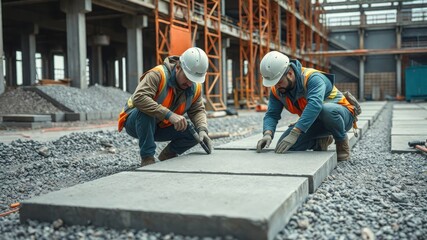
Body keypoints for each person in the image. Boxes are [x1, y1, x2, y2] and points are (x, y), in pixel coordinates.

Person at [118, 47, 213, 166]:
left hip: (160, 126)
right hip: (137, 123)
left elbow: (198, 110)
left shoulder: (194, 87)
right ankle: (147, 158)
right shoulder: (158, 74)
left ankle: (168, 155)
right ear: (178, 67)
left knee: (193, 132)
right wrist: (169, 115)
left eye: (193, 80)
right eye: (188, 78)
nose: (189, 83)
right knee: (145, 112)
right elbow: (139, 98)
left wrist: (202, 129)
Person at [256, 51, 357, 161]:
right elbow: (272, 114)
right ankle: (319, 141)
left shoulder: (312, 78)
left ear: (289, 74)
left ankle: (341, 142)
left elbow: (315, 105)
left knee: (326, 110)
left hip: (341, 117)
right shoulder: (277, 90)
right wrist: (267, 134)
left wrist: (295, 132)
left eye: (279, 82)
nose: (276, 86)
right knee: (285, 145)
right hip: (314, 121)